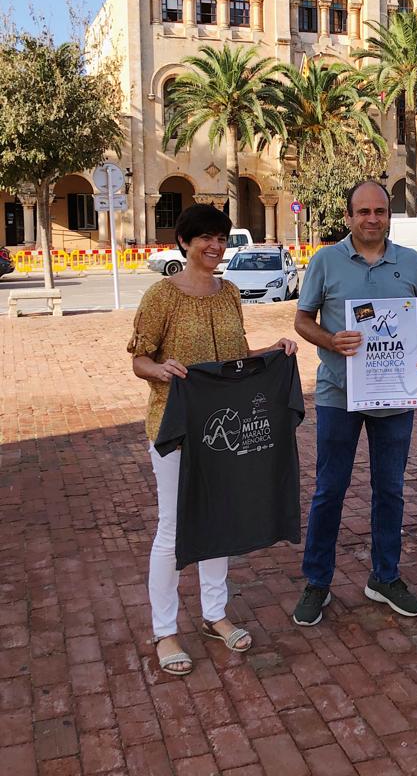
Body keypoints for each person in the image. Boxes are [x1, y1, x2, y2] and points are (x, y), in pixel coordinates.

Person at [128, 203, 297, 676]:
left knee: (219, 520)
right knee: (173, 528)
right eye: (205, 237)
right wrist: (159, 369)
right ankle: (164, 630)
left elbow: (237, 359)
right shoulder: (162, 296)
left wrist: (273, 351)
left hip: (223, 430)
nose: (215, 246)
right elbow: (139, 358)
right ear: (184, 242)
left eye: (221, 238)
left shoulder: (229, 294)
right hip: (175, 428)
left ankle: (214, 614)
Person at [292, 180, 417, 626]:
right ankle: (317, 582)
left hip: (395, 395)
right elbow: (302, 320)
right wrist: (331, 341)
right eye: (363, 212)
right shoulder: (325, 261)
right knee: (329, 489)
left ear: (388, 215)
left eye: (380, 211)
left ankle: (385, 576)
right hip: (339, 395)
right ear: (348, 216)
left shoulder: (409, 262)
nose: (372, 219)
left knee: (390, 489)